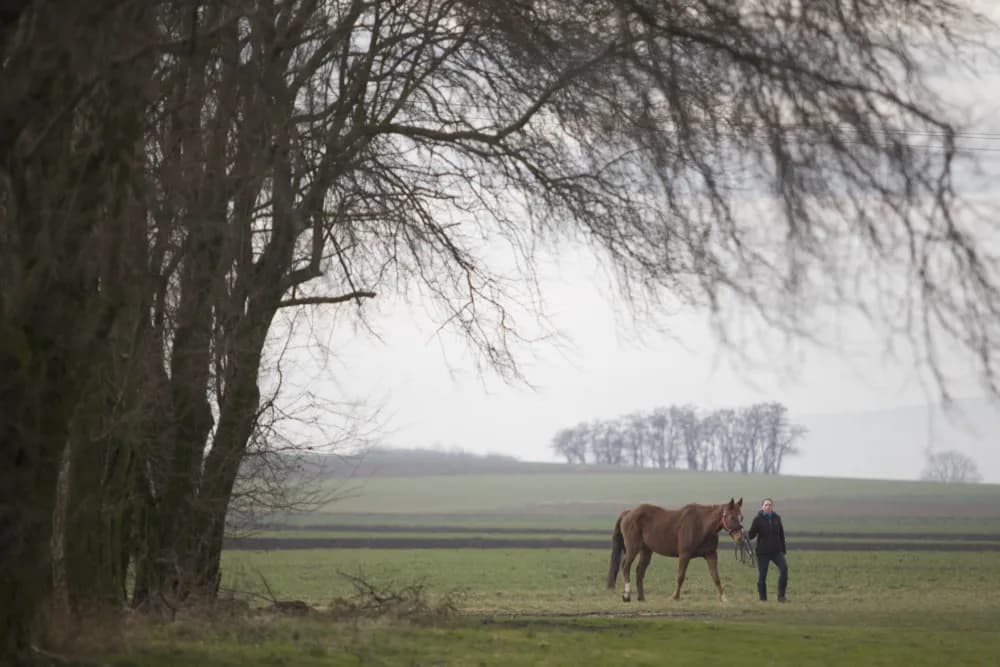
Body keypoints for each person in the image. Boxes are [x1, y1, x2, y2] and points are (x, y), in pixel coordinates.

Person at [747, 497, 788, 602]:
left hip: (776, 551)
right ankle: (763, 599)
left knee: (784, 570)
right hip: (763, 552)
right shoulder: (757, 519)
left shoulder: (777, 518)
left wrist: (783, 550)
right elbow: (751, 535)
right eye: (766, 505)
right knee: (762, 576)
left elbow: (781, 534)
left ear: (772, 507)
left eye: (770, 505)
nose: (768, 506)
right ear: (762, 507)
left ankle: (781, 596)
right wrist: (744, 534)